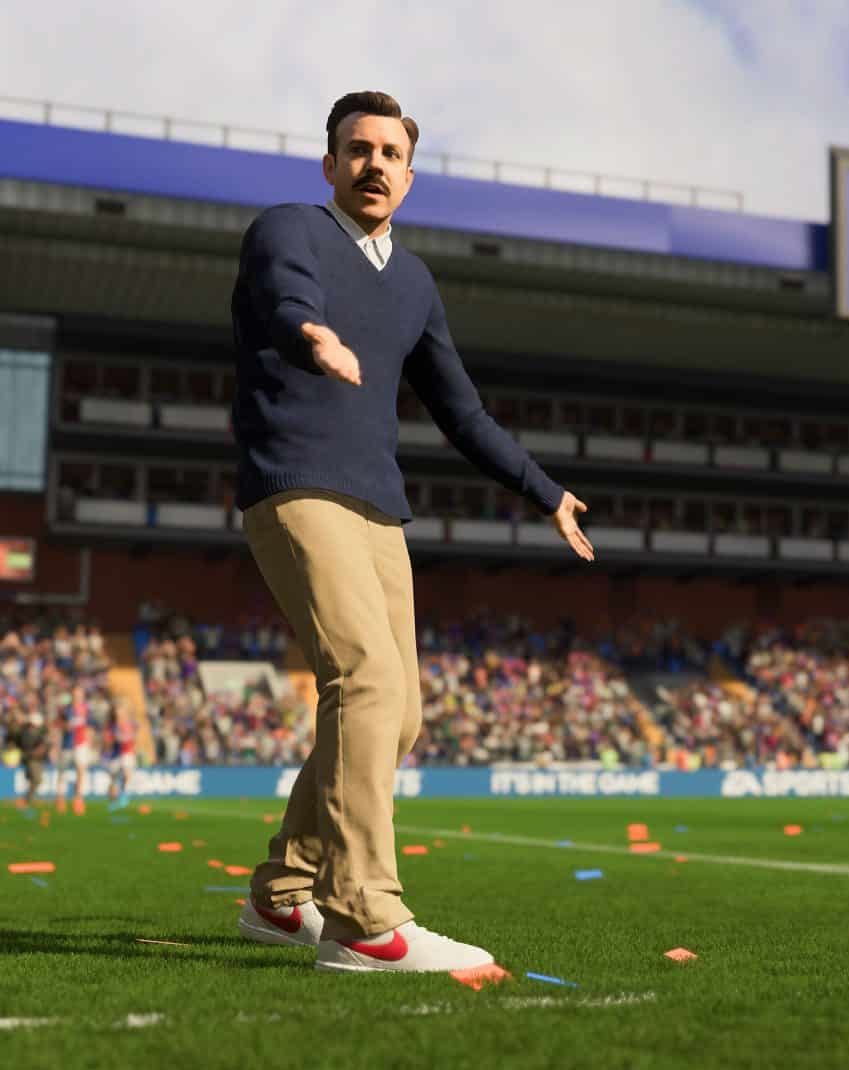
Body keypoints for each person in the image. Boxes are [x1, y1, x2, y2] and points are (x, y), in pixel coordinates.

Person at [229, 90, 593, 974]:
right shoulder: (289, 229)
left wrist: (544, 491)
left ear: (410, 173)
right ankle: (362, 918)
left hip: (378, 506)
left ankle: (283, 894)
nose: (375, 165)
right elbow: (285, 295)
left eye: (391, 152)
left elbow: (461, 410)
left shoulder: (416, 280)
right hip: (297, 487)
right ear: (330, 165)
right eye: (358, 150)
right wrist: (312, 332)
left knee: (400, 717)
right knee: (361, 678)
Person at [55, 697, 95, 816]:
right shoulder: (66, 710)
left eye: (80, 694)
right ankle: (60, 798)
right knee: (62, 772)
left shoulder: (86, 710)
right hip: (67, 745)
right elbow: (59, 726)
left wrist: (89, 742)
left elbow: (90, 727)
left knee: (81, 771)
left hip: (80, 744)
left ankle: (78, 799)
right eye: (75, 693)